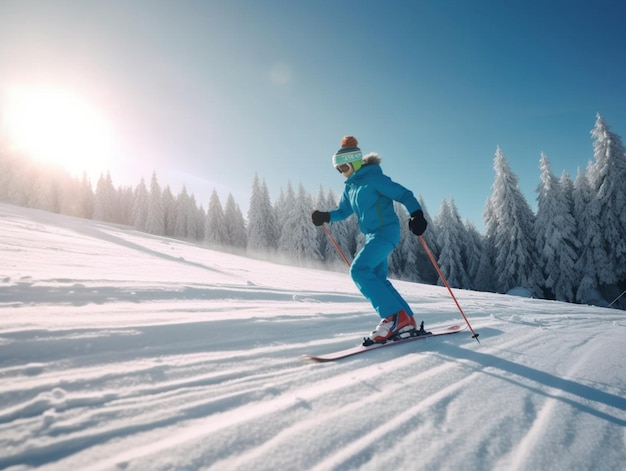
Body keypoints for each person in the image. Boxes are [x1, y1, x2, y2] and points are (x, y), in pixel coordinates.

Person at [312, 136, 428, 344]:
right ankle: (406, 319)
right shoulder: (351, 187)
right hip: (372, 236)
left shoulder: (374, 178)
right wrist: (325, 216)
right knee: (377, 277)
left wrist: (416, 214)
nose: (342, 172)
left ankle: (394, 317)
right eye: (338, 170)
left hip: (386, 232)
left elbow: (403, 194)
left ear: (355, 162)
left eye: (344, 167)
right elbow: (344, 211)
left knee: (359, 270)